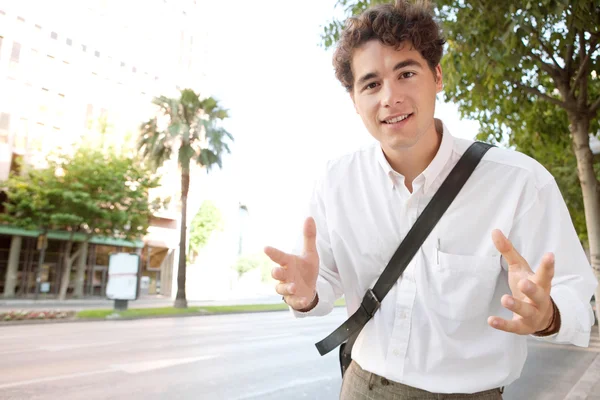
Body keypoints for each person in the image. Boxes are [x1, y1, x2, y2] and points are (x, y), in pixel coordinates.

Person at [263, 1, 598, 399]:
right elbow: (324, 283)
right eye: (371, 84)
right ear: (354, 100)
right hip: (362, 387)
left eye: (406, 73)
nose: (390, 97)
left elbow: (575, 293)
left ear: (437, 76)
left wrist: (548, 315)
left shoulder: (518, 183)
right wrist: (307, 292)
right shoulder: (337, 182)